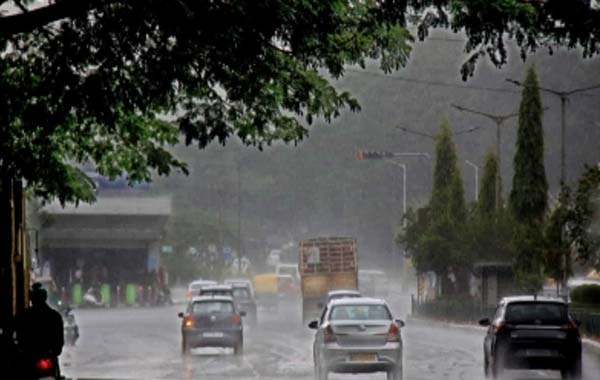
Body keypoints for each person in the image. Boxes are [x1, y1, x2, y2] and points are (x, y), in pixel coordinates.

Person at [15, 283, 64, 377]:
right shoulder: (54, 316)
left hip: (29, 357)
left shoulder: (23, 316)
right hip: (47, 356)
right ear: (45, 297)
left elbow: (11, 330)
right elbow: (59, 342)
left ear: (31, 298)